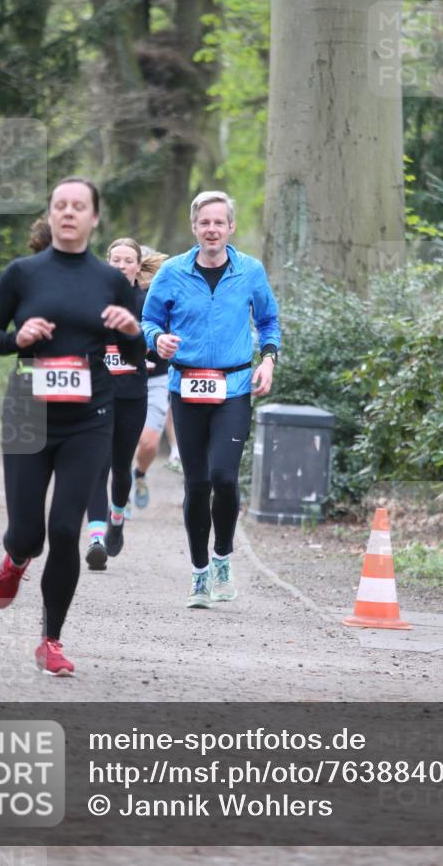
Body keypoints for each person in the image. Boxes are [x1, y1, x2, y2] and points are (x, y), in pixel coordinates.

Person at [0, 178, 145, 675]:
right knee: (28, 534)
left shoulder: (111, 282)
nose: (68, 213)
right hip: (28, 411)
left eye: (79, 207)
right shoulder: (22, 274)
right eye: (60, 206)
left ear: (94, 218)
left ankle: (50, 639)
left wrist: (133, 331)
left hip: (90, 418)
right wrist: (16, 338)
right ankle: (16, 559)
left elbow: (133, 357)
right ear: (50, 216)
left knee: (67, 528)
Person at [141, 190, 280, 608]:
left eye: (219, 222)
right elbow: (149, 320)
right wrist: (157, 340)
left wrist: (268, 360)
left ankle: (222, 559)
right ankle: (200, 574)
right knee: (197, 483)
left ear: (231, 227)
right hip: (186, 388)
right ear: (194, 227)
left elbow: (270, 320)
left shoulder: (250, 271)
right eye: (205, 222)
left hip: (234, 389)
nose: (212, 229)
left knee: (224, 477)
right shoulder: (171, 273)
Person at [85, 237, 152, 569]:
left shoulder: (145, 301)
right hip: (97, 394)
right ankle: (96, 537)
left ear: (138, 266)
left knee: (120, 467)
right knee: (97, 465)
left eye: (128, 260)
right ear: (107, 263)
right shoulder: (95, 298)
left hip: (132, 396)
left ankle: (117, 518)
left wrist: (150, 354)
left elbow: (155, 341)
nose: (122, 265)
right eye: (116, 260)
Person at [131, 248, 174, 509]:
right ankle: (119, 486)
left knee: (148, 443)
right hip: (121, 376)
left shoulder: (164, 296)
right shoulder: (113, 296)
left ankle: (140, 474)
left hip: (156, 377)